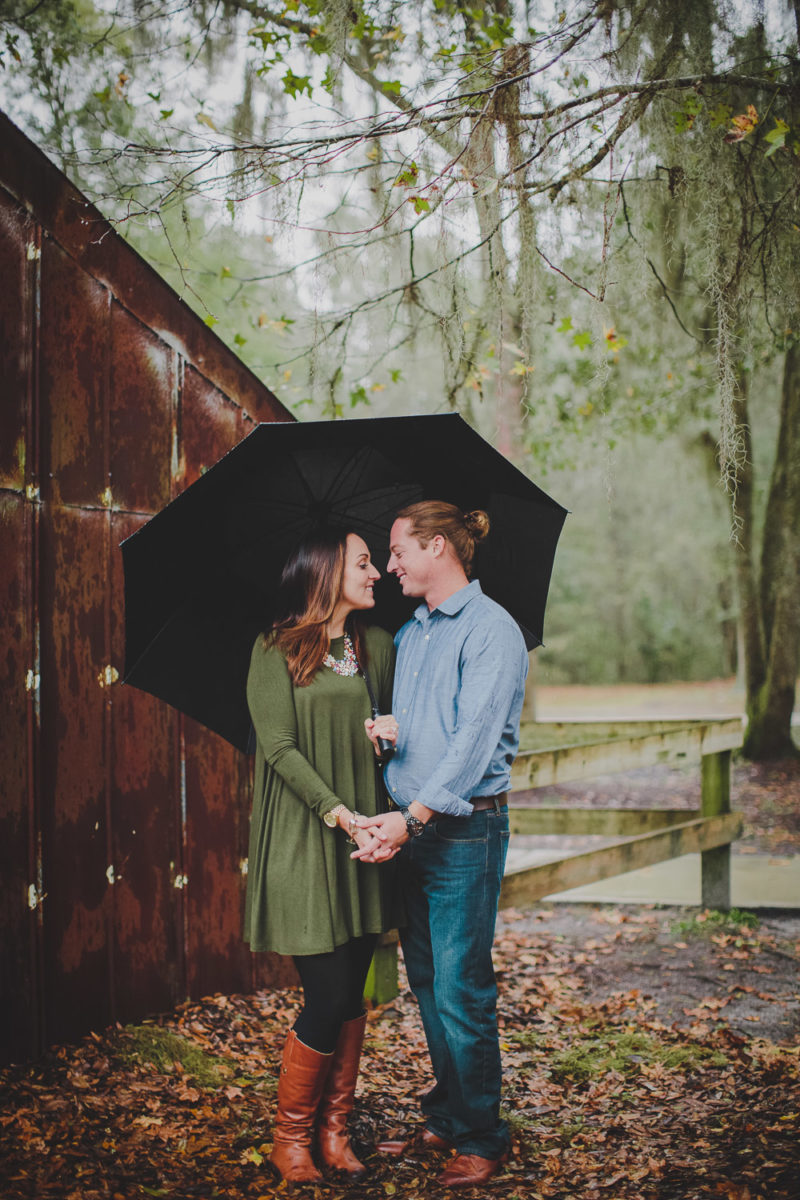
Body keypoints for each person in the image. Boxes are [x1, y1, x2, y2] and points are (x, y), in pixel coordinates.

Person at [358, 500, 528, 1189]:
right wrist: (386, 730)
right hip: (412, 829)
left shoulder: (492, 631)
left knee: (461, 987)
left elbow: (472, 745)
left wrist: (415, 815)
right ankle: (450, 1113)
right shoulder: (410, 633)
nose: (390, 563)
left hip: (461, 831)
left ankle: (483, 1137)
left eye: (398, 550)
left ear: (437, 549)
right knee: (427, 984)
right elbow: (424, 729)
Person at [244, 528, 397, 1184]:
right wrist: (339, 813)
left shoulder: (378, 647)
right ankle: (290, 1139)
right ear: (329, 570)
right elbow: (277, 747)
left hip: (367, 843)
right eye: (364, 563)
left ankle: (335, 1133)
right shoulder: (272, 650)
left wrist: (391, 738)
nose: (376, 574)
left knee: (354, 994)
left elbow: (398, 735)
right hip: (310, 838)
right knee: (327, 993)